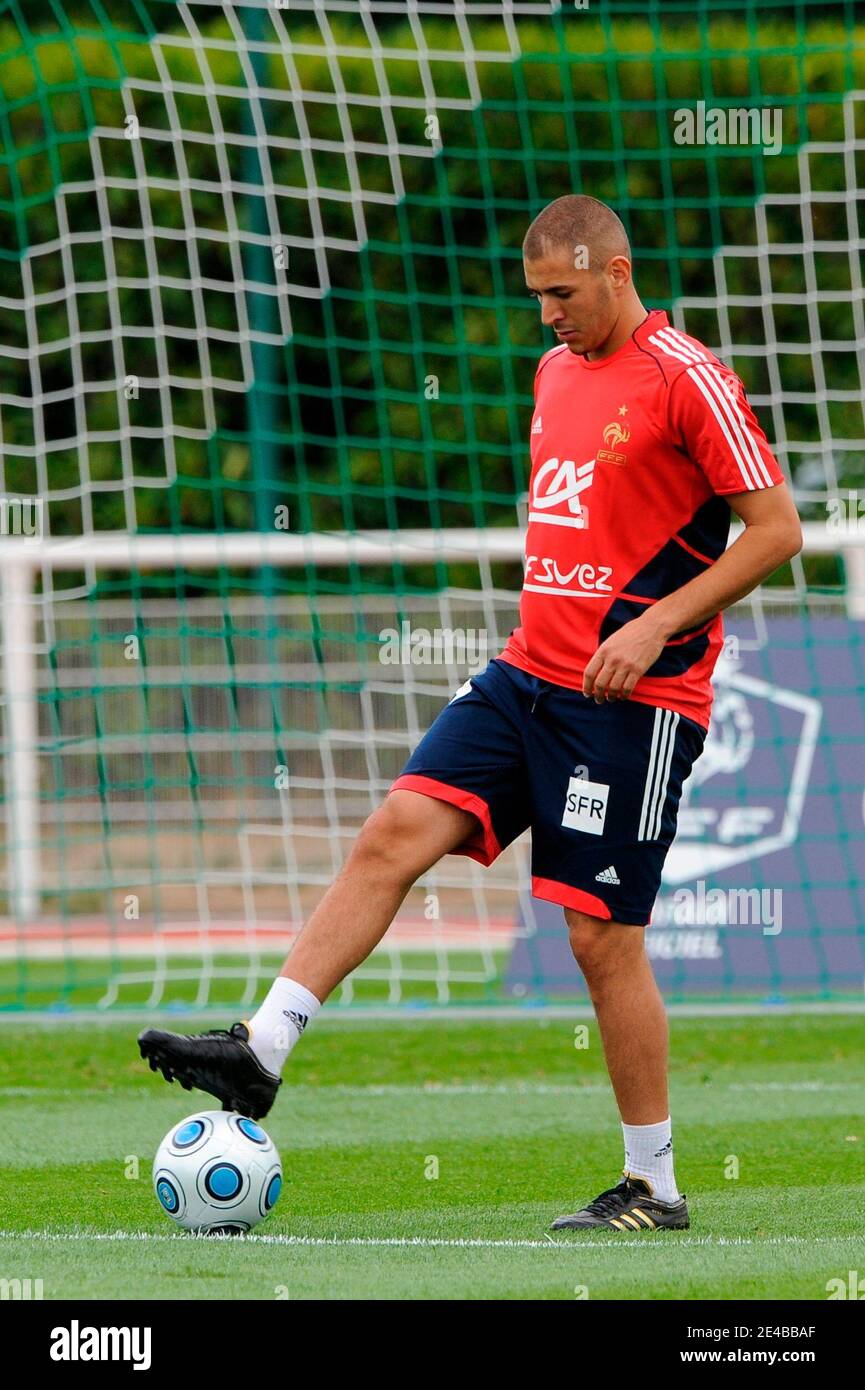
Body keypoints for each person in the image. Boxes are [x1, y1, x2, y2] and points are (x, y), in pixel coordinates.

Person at [139, 195, 802, 1233]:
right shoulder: (552, 373)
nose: (548, 314)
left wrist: (648, 627)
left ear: (617, 272)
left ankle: (655, 1185)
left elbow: (773, 529)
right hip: (526, 673)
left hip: (633, 701)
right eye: (537, 296)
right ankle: (261, 1046)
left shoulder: (689, 377)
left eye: (564, 294)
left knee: (598, 939)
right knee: (390, 834)